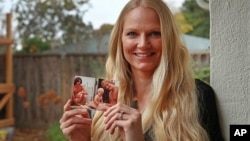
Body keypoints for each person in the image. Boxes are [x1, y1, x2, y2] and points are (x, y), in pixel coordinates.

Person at [59, 0, 224, 141]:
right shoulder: (100, 95)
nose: (143, 44)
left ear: (169, 39)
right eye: (132, 34)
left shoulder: (197, 96)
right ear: (120, 41)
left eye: (154, 33)